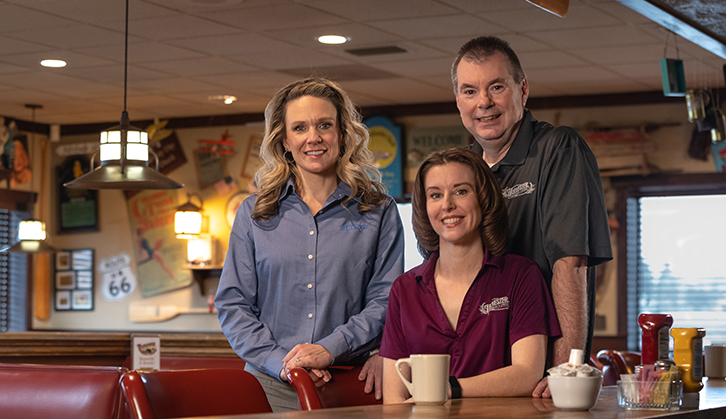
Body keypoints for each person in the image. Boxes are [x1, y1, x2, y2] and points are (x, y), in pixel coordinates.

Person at [215, 77, 404, 412]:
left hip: (350, 385)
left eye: (324, 125)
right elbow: (234, 305)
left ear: (342, 134)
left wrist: (331, 348)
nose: (313, 138)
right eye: (300, 127)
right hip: (267, 387)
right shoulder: (254, 213)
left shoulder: (378, 209)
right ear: (285, 139)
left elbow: (385, 301)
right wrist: (282, 363)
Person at [451, 36, 614, 397]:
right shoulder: (460, 170)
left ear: (522, 90)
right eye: (469, 91)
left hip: (538, 369)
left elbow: (570, 263)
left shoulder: (558, 149)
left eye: (496, 86)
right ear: (458, 101)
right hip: (474, 372)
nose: (483, 103)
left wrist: (564, 371)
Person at [381, 148, 560, 402]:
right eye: (435, 195)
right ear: (424, 207)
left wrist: (449, 389)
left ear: (483, 199)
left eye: (461, 191)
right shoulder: (404, 289)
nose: (447, 205)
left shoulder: (521, 276)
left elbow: (527, 373)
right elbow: (394, 399)